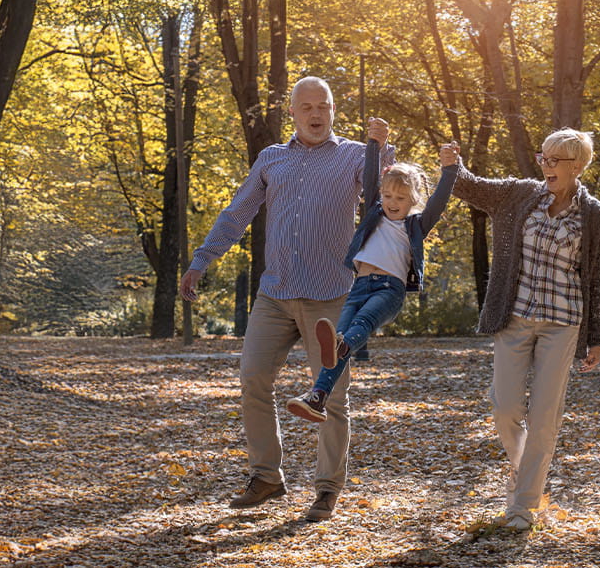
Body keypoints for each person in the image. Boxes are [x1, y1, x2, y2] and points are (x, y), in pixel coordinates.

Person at [180, 76, 386, 523]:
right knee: (253, 378)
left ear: (333, 111)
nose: (316, 114)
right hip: (275, 293)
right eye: (307, 106)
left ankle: (328, 488)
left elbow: (383, 192)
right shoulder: (271, 159)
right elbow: (237, 214)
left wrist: (380, 147)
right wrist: (201, 260)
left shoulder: (355, 155)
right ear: (291, 112)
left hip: (332, 296)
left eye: (324, 106)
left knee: (330, 394)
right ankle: (266, 477)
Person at [439, 129, 600, 532]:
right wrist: (452, 164)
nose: (546, 166)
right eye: (543, 158)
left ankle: (524, 505)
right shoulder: (518, 194)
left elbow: (596, 276)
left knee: (544, 415)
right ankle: (524, 470)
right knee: (506, 407)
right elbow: (472, 187)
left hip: (563, 323)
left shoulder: (593, 214)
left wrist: (597, 337)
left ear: (577, 166)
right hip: (514, 318)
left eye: (555, 160)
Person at [285, 122, 458, 423]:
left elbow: (439, 202)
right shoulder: (373, 215)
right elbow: (368, 176)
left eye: (400, 198)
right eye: (388, 196)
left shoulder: (415, 225)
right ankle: (318, 397)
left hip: (388, 290)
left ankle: (337, 353)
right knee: (337, 347)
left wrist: (450, 169)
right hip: (360, 285)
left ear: (413, 200)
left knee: (358, 327)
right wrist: (374, 144)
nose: (392, 203)